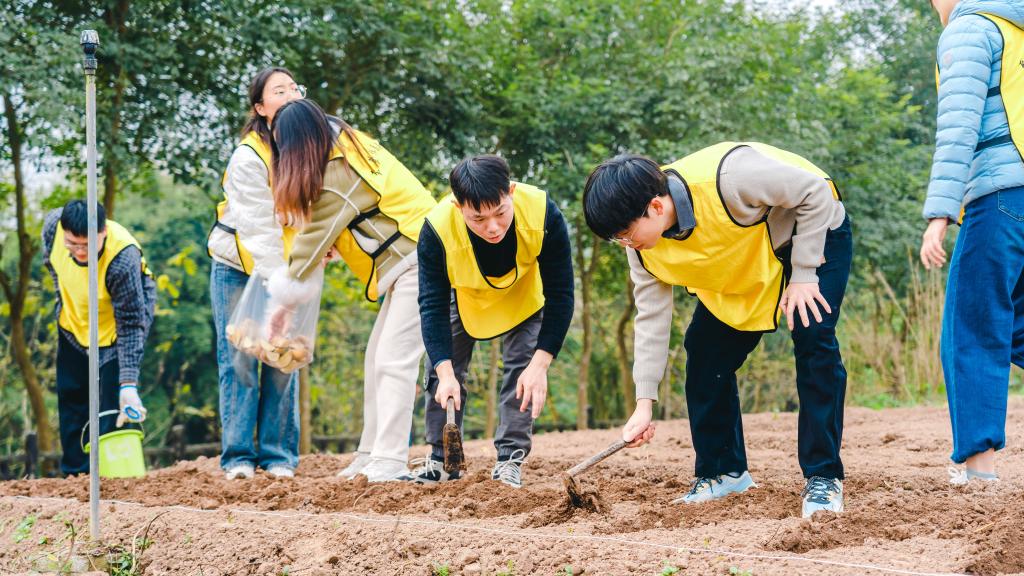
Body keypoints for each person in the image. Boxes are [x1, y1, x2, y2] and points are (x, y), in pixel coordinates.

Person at [582, 142, 851, 517]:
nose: (625, 244)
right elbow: (651, 317)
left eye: (626, 234)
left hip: (808, 234)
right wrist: (645, 404)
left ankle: (823, 477)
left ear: (656, 207)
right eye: (617, 239)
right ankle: (724, 472)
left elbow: (814, 192)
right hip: (745, 262)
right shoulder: (643, 247)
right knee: (706, 352)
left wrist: (805, 274)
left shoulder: (731, 178)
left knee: (813, 337)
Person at [269, 98, 438, 482]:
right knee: (375, 358)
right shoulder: (349, 146)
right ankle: (370, 454)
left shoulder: (337, 171)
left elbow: (310, 243)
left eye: (283, 147)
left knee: (394, 361)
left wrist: (281, 308)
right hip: (409, 261)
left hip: (421, 260)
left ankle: (391, 461)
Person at [403, 155, 574, 488]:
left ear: (510, 191)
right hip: (466, 299)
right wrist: (444, 370)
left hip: (524, 299)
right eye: (477, 218)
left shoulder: (542, 212)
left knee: (522, 374)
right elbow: (432, 304)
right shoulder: (436, 230)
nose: (492, 227)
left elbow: (562, 294)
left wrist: (540, 365)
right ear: (457, 206)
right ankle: (442, 458)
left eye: (500, 212)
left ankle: (510, 459)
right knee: (442, 376)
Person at [920, 0, 1024, 484]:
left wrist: (940, 212)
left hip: (1000, 197)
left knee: (971, 328)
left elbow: (958, 129)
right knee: (1017, 325)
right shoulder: (1015, 27)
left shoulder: (970, 30)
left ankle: (978, 467)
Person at [206, 66, 305, 480]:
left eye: (294, 88)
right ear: (261, 108)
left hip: (288, 267)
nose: (289, 94)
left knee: (284, 358)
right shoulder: (248, 156)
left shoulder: (309, 146)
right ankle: (239, 457)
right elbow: (259, 230)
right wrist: (280, 286)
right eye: (278, 91)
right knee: (241, 359)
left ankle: (279, 455)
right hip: (240, 267)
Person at [42, 199, 155, 476]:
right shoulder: (52, 228)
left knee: (109, 409)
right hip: (73, 325)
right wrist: (64, 300)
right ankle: (76, 475)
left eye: (88, 245)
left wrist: (128, 383)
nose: (80, 251)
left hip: (115, 332)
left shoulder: (122, 257)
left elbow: (131, 323)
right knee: (72, 398)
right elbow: (53, 267)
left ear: (103, 232)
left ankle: (116, 477)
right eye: (73, 244)